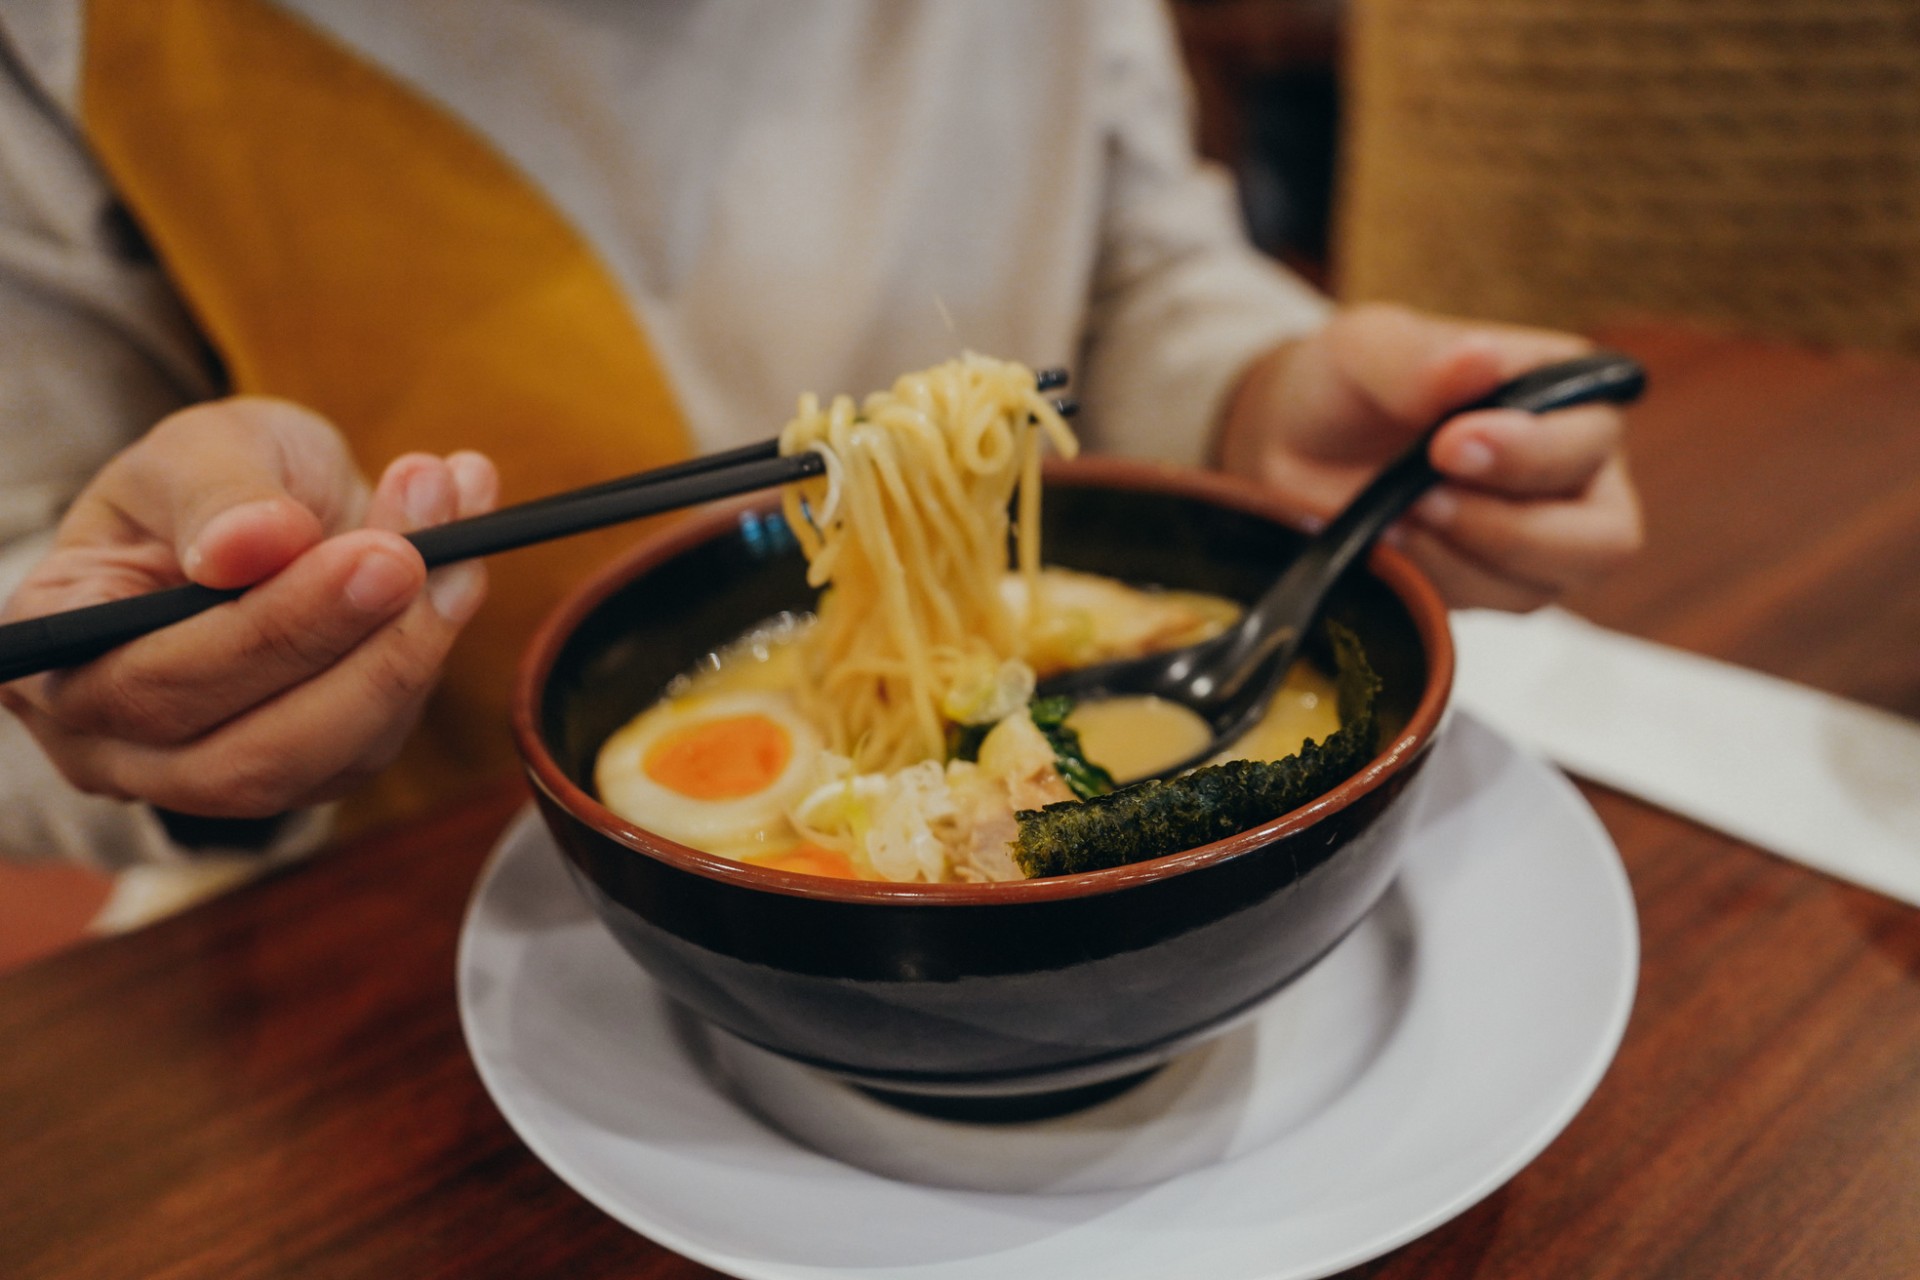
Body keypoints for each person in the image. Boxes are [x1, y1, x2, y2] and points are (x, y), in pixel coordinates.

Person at [0, 0, 1638, 869]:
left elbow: (1137, 259)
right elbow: (34, 590)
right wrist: (159, 717)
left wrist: (1260, 395)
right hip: (375, 916)